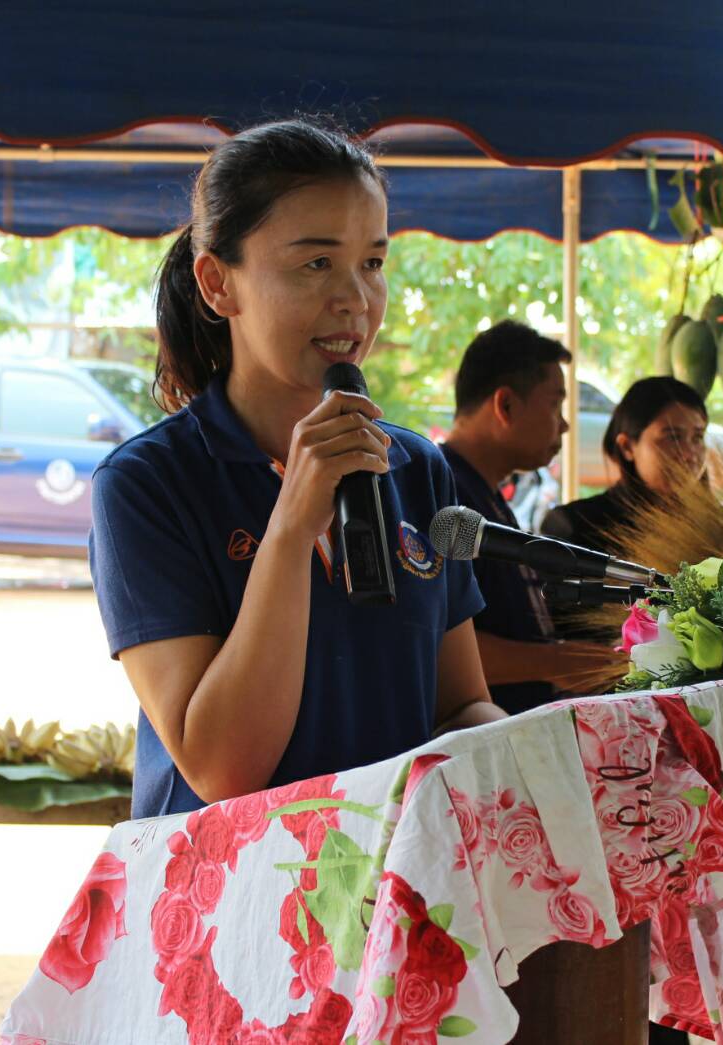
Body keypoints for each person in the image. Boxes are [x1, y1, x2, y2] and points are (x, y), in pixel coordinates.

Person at [89, 120, 504, 819]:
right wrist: (290, 526)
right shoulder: (146, 484)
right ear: (219, 283)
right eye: (315, 263)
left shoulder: (416, 467)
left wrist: (530, 755)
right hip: (226, 906)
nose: (354, 298)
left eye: (372, 263)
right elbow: (222, 765)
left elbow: (458, 702)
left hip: (388, 894)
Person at [440, 321, 612, 714]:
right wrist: (555, 662)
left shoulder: (484, 492)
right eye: (555, 404)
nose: (565, 424)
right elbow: (432, 643)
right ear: (506, 405)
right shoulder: (442, 492)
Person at [540, 376, 709, 554]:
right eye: (673, 437)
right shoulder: (576, 528)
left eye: (698, 437)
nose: (690, 454)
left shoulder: (717, 529)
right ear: (627, 447)